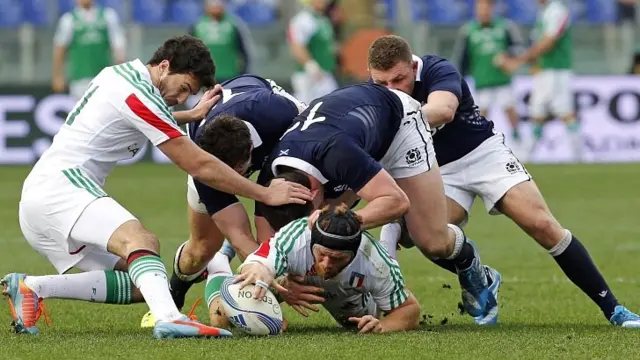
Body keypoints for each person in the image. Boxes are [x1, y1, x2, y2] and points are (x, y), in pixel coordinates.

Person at [3, 36, 312, 339]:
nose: (181, 98)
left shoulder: (121, 78)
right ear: (164, 66)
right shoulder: (135, 92)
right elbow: (199, 165)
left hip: (44, 200)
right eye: (184, 88)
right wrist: (265, 193)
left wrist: (189, 115)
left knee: (147, 283)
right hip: (62, 187)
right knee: (142, 240)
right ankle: (171, 319)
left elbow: (132, 117)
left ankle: (33, 287)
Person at [367, 34, 640, 328]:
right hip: (438, 171)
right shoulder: (374, 97)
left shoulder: (437, 69)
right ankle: (478, 274)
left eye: (398, 80)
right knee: (425, 237)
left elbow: (443, 109)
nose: (391, 90)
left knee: (542, 225)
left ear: (413, 66)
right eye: (381, 84)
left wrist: (395, 118)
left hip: (484, 155)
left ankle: (614, 309)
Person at [254, 82, 500, 324]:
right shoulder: (270, 183)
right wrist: (285, 284)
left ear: (315, 191)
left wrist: (340, 224)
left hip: (398, 126)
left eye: (310, 216)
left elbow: (396, 201)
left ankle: (470, 263)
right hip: (352, 137)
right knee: (320, 245)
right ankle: (389, 235)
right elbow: (269, 246)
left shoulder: (337, 153)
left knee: (431, 241)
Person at [139, 75, 307, 328]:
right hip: (212, 167)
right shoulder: (203, 164)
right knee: (203, 249)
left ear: (251, 149)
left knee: (285, 220)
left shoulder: (279, 113)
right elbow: (239, 236)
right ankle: (176, 290)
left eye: (236, 172)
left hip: (276, 145)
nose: (232, 180)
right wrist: (280, 283)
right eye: (224, 175)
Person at [205, 203, 421, 334]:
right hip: (294, 280)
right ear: (311, 243)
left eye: (337, 259)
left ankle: (391, 233)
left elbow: (409, 309)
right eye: (322, 254)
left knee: (359, 316)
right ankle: (220, 260)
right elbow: (256, 265)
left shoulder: (375, 262)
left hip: (356, 304)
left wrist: (382, 326)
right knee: (221, 317)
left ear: (353, 254)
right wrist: (262, 273)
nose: (326, 264)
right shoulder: (295, 238)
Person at [500, 0, 581, 163]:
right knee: (538, 114)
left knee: (564, 113)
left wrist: (519, 60)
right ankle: (526, 157)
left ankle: (579, 156)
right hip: (544, 71)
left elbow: (548, 42)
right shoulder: (544, 12)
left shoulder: (557, 10)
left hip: (556, 71)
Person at [453, 0, 524, 144]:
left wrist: (507, 58)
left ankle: (519, 141)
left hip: (502, 79)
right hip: (481, 81)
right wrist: (459, 83)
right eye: (480, 8)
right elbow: (462, 58)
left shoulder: (505, 26)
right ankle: (481, 144)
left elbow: (519, 49)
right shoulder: (468, 30)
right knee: (481, 116)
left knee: (510, 111)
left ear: (492, 9)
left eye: (486, 7)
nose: (484, 11)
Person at [52, 0, 126, 100]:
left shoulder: (108, 16)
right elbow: (60, 49)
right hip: (79, 78)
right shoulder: (68, 19)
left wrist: (121, 73)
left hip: (104, 77)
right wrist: (58, 76)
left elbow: (118, 48)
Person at [189, 0, 254, 84]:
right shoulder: (197, 25)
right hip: (205, 76)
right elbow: (189, 51)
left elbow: (245, 51)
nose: (216, 7)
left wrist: (244, 72)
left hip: (230, 74)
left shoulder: (234, 24)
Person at [288, 0, 339, 104]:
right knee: (305, 109)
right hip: (309, 76)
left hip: (325, 72)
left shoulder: (323, 19)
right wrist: (311, 65)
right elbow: (296, 45)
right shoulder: (303, 20)